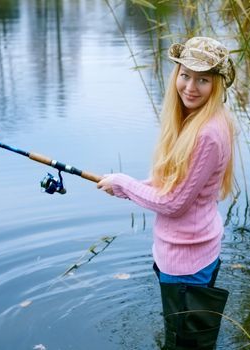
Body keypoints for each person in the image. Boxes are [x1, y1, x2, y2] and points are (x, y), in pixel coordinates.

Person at [97, 36, 236, 349]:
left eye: (203, 80)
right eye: (185, 75)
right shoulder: (197, 121)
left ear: (217, 85)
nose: (190, 86)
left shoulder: (208, 134)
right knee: (188, 337)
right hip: (191, 252)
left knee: (183, 344)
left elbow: (173, 203)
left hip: (187, 263)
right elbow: (174, 186)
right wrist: (125, 188)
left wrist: (124, 181)